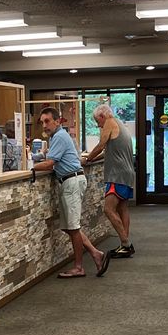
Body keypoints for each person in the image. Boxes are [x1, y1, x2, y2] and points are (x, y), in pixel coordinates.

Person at [32, 108, 110, 279]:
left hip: (71, 182)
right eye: (42, 122)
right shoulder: (57, 137)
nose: (44, 125)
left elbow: (50, 163)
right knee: (69, 227)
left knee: (73, 227)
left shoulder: (59, 137)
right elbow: (47, 157)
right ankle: (95, 253)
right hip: (69, 181)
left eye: (47, 121)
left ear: (57, 121)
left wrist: (32, 168)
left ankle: (79, 267)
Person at [84, 104, 135, 259]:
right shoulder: (120, 124)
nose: (97, 124)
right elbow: (108, 152)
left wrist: (88, 158)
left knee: (108, 209)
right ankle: (124, 245)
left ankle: (126, 244)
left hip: (117, 175)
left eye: (97, 120)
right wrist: (90, 159)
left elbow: (100, 145)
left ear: (102, 116)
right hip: (127, 173)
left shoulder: (109, 123)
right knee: (123, 208)